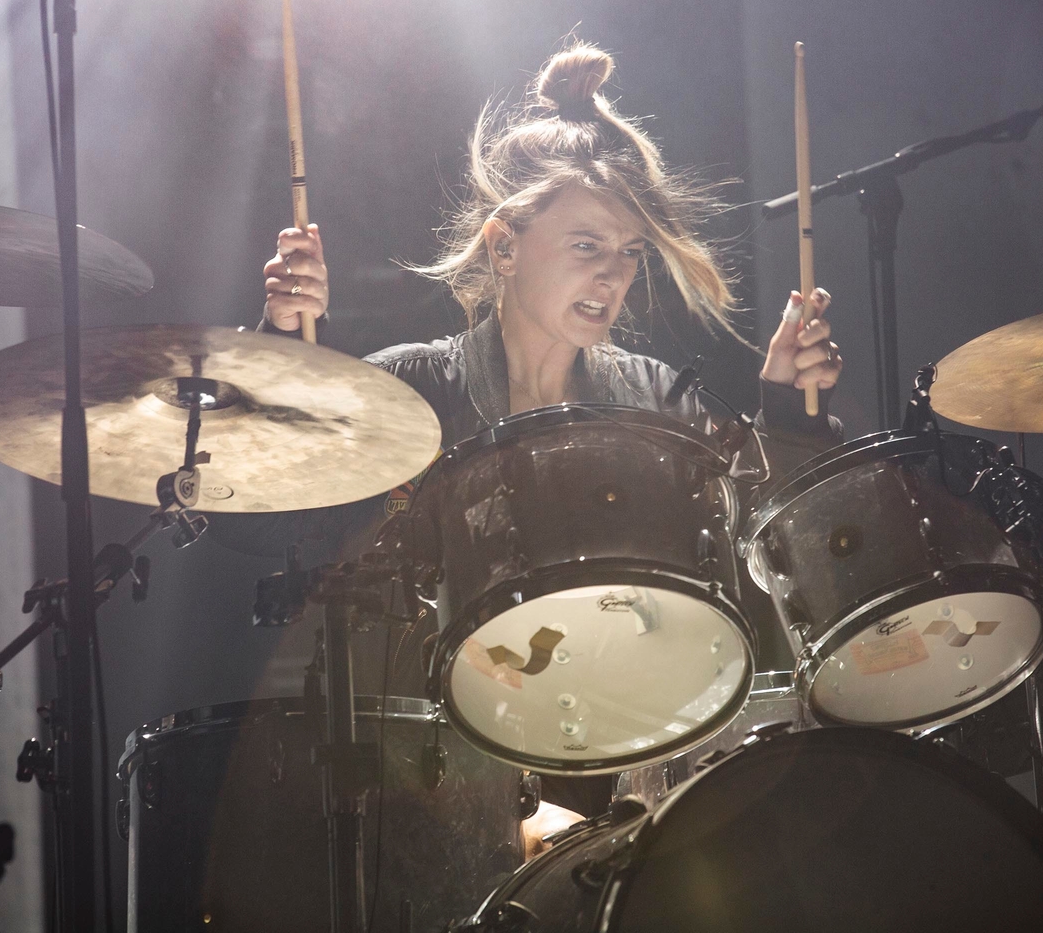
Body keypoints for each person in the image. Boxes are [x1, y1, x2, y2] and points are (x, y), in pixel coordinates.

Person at [255, 42, 845, 834]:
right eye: (587, 246)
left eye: (629, 255)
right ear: (504, 247)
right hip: (434, 787)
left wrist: (789, 407)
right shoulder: (415, 392)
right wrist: (281, 351)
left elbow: (778, 544)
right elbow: (279, 509)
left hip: (627, 775)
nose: (612, 276)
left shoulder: (651, 401)